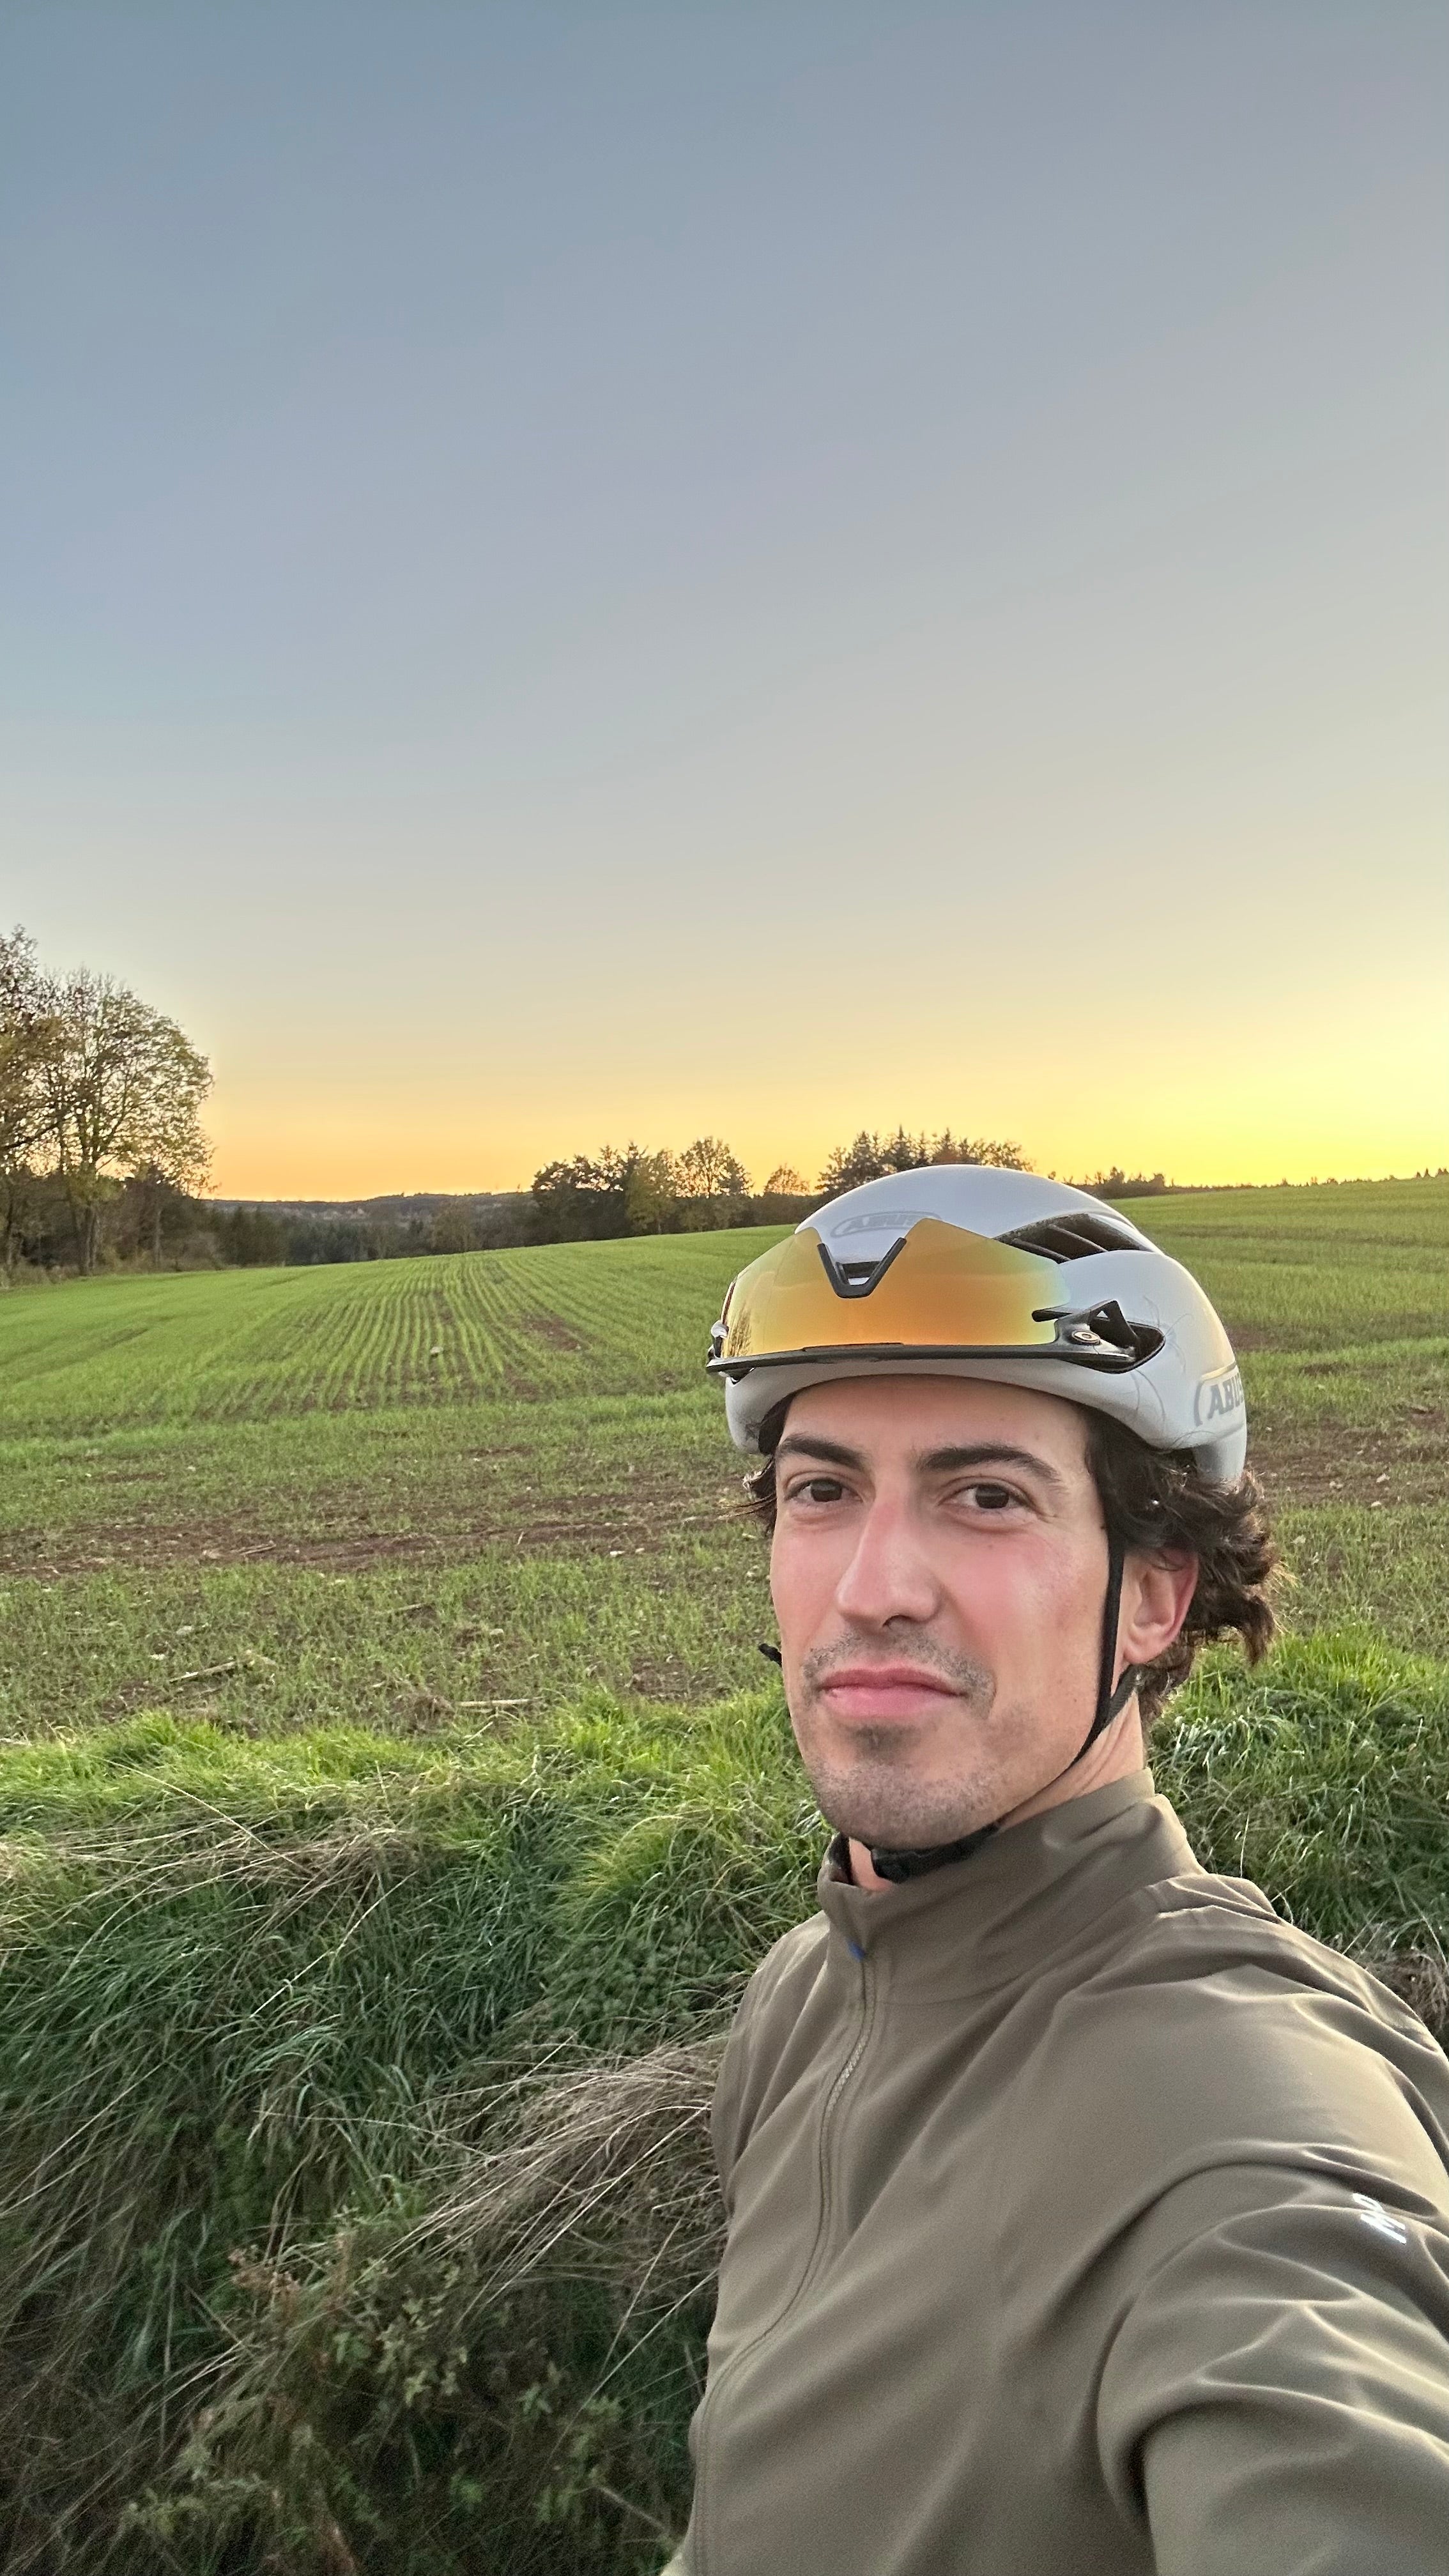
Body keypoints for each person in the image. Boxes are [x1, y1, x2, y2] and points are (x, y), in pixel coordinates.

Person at [664, 1165, 1449, 2576]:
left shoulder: (1235, 2111)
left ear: (1153, 1593)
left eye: (984, 1496)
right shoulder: (802, 2000)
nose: (872, 1586)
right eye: (823, 1491)